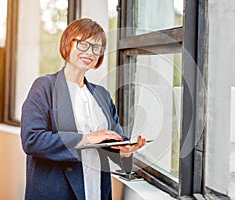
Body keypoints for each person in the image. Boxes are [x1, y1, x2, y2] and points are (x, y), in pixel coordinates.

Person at [20, 18, 146, 200]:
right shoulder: (44, 87)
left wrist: (123, 150)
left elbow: (113, 138)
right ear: (67, 44)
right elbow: (32, 140)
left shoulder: (101, 94)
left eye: (97, 47)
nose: (90, 52)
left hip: (96, 189)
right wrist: (86, 138)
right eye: (83, 44)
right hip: (57, 191)